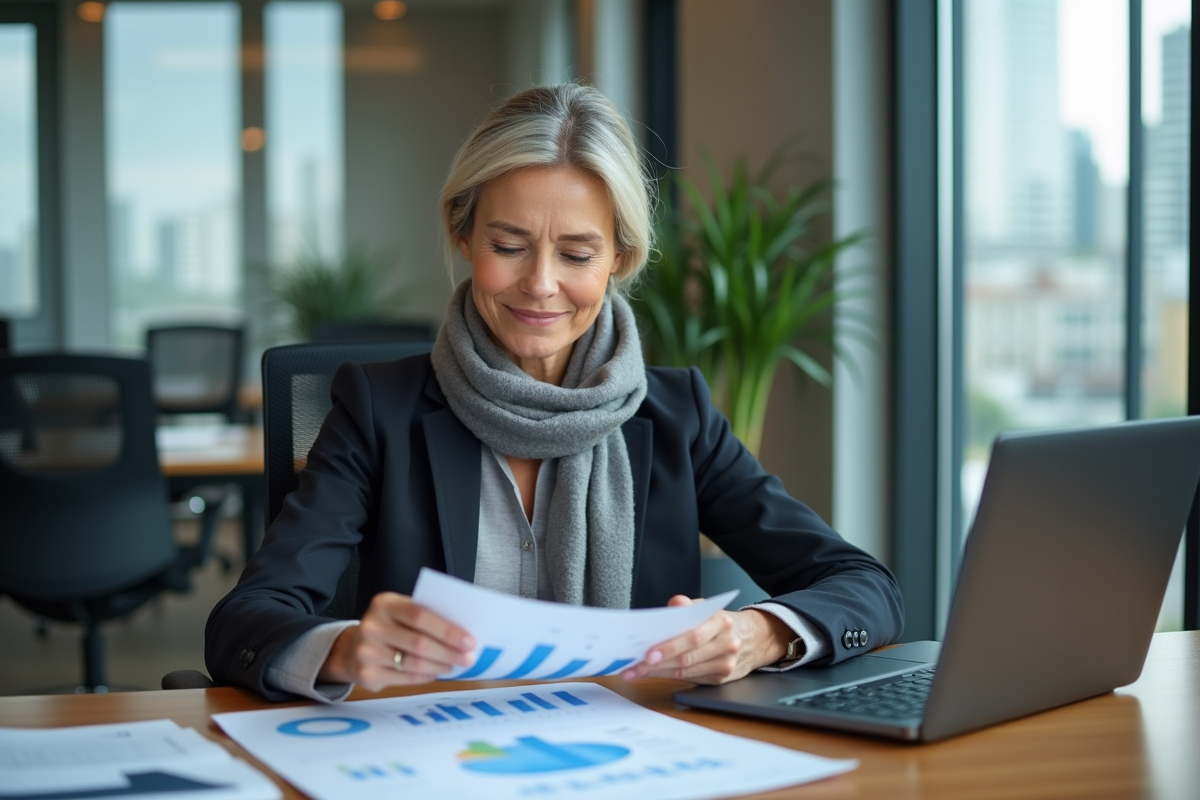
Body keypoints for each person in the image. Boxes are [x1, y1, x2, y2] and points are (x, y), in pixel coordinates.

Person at [205, 83, 903, 702]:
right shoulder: (377, 408)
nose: (541, 284)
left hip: (630, 761)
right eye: (508, 246)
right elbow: (246, 619)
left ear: (619, 261)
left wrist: (760, 633)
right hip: (432, 758)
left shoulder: (677, 414)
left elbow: (864, 587)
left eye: (576, 254)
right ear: (463, 234)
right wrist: (345, 646)